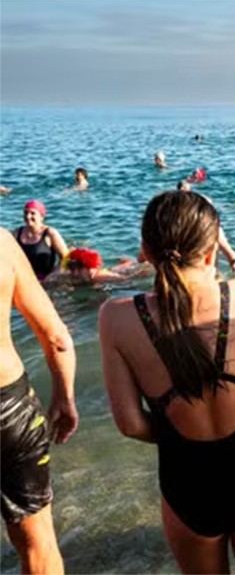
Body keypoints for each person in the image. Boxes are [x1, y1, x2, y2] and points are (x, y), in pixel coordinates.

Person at [99, 191, 235, 573]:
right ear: (210, 253)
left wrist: (176, 428)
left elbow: (130, 424)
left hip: (186, 480)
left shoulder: (116, 318)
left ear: (145, 252)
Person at [1, 229, 79, 575]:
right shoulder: (2, 243)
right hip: (9, 410)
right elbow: (57, 339)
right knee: (38, 544)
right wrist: (64, 397)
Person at [14, 200, 69, 280]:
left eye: (33, 213)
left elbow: (66, 258)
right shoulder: (17, 233)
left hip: (46, 281)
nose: (28, 216)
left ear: (42, 217)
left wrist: (53, 275)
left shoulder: (50, 233)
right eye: (26, 213)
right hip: (24, 280)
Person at [54, 248, 151, 285]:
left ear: (90, 267)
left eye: (79, 269)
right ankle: (127, 263)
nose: (75, 273)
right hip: (112, 270)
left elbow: (126, 280)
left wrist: (139, 274)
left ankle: (133, 263)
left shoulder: (99, 277)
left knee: (141, 267)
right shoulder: (76, 275)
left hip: (123, 273)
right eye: (72, 269)